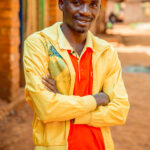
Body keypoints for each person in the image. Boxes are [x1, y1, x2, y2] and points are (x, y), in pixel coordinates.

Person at [23, 0, 130, 150]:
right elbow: (46, 108)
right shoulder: (39, 45)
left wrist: (68, 108)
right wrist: (96, 99)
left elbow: (120, 111)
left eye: (93, 4)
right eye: (77, 2)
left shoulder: (106, 52)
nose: (85, 11)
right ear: (61, 4)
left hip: (100, 146)